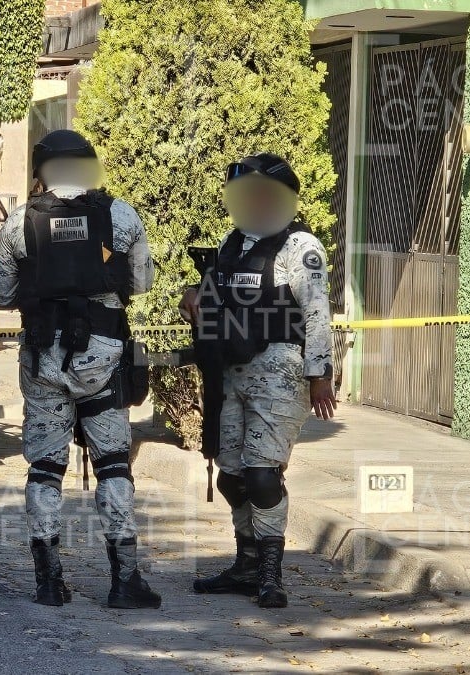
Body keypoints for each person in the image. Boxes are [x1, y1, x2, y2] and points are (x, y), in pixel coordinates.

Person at [0, 129, 160, 610]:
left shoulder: (20, 222)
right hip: (102, 359)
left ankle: (48, 582)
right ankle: (125, 582)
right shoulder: (120, 215)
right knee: (113, 466)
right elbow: (142, 281)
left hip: (43, 358)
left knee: (44, 469)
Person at [179, 153, 336, 609]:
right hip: (232, 373)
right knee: (231, 476)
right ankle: (246, 565)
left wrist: (319, 374)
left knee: (263, 476)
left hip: (280, 369)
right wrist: (193, 298)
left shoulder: (299, 246)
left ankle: (271, 573)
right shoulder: (233, 244)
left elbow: (317, 314)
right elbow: (217, 301)